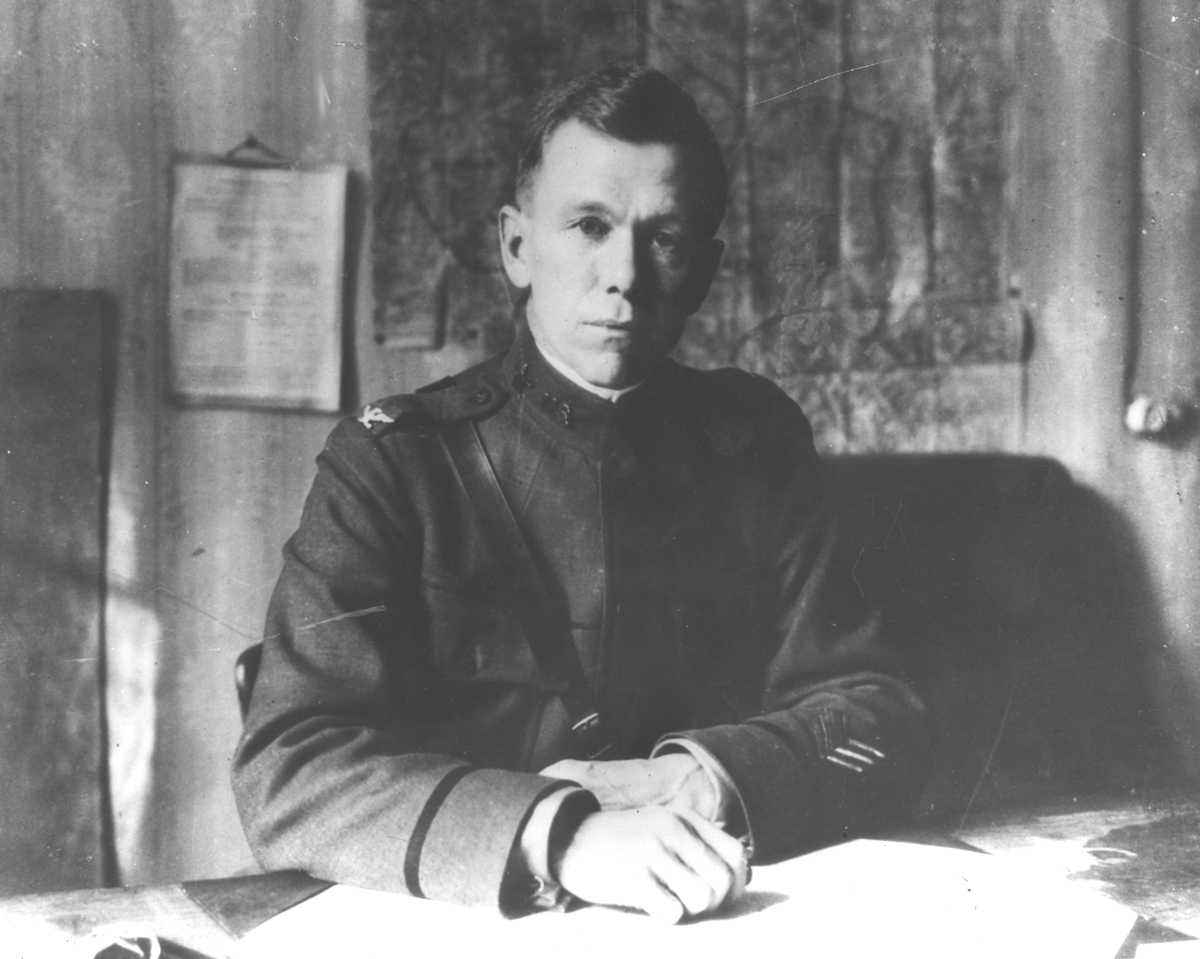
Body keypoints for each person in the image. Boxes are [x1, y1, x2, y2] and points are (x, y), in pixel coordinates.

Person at [232, 64, 931, 923]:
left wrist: (704, 776)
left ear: (705, 269)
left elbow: (882, 714)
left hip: (727, 916)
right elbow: (289, 768)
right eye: (589, 226)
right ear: (517, 247)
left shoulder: (757, 442)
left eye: (664, 237)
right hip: (476, 923)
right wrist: (559, 835)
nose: (624, 275)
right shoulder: (394, 461)